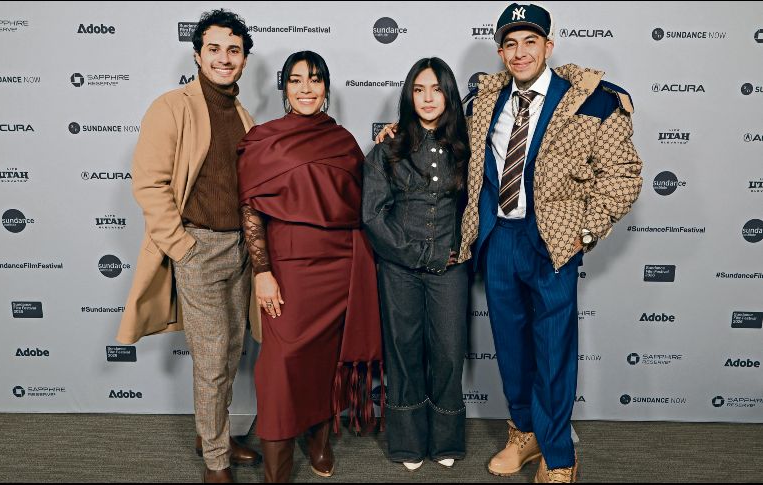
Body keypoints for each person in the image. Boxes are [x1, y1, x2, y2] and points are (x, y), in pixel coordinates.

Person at [461, 3, 643, 482]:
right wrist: (399, 133)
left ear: (549, 45)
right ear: (500, 51)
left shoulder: (592, 100)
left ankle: (559, 453)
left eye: (530, 42)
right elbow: (446, 140)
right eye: (511, 44)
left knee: (554, 347)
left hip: (552, 241)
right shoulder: (484, 98)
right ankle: (524, 432)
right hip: (499, 236)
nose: (520, 53)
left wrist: (585, 230)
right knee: (510, 345)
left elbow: (622, 173)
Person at [115, 9, 261, 483]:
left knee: (233, 348)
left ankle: (210, 431)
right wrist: (182, 247)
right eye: (214, 49)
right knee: (213, 355)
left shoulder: (243, 115)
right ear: (197, 54)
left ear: (244, 61)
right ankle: (215, 462)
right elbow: (150, 183)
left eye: (233, 51)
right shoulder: (171, 106)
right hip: (198, 247)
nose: (224, 58)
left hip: (240, 249)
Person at [236, 51, 384, 483]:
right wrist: (261, 271)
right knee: (279, 367)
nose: (306, 88)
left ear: (326, 87)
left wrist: (393, 140)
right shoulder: (264, 138)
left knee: (326, 362)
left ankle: (318, 440)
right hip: (287, 266)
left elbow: (365, 196)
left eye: (315, 80)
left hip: (342, 265)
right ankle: (277, 472)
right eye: (297, 80)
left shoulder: (342, 140)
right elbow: (250, 210)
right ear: (284, 87)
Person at [362, 58, 470, 471]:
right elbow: (373, 216)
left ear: (449, 95)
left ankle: (446, 439)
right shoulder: (388, 148)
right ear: (409, 95)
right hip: (399, 268)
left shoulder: (468, 144)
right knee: (403, 351)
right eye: (419, 89)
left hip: (452, 267)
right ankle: (407, 443)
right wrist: (418, 254)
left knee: (447, 352)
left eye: (437, 89)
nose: (428, 98)